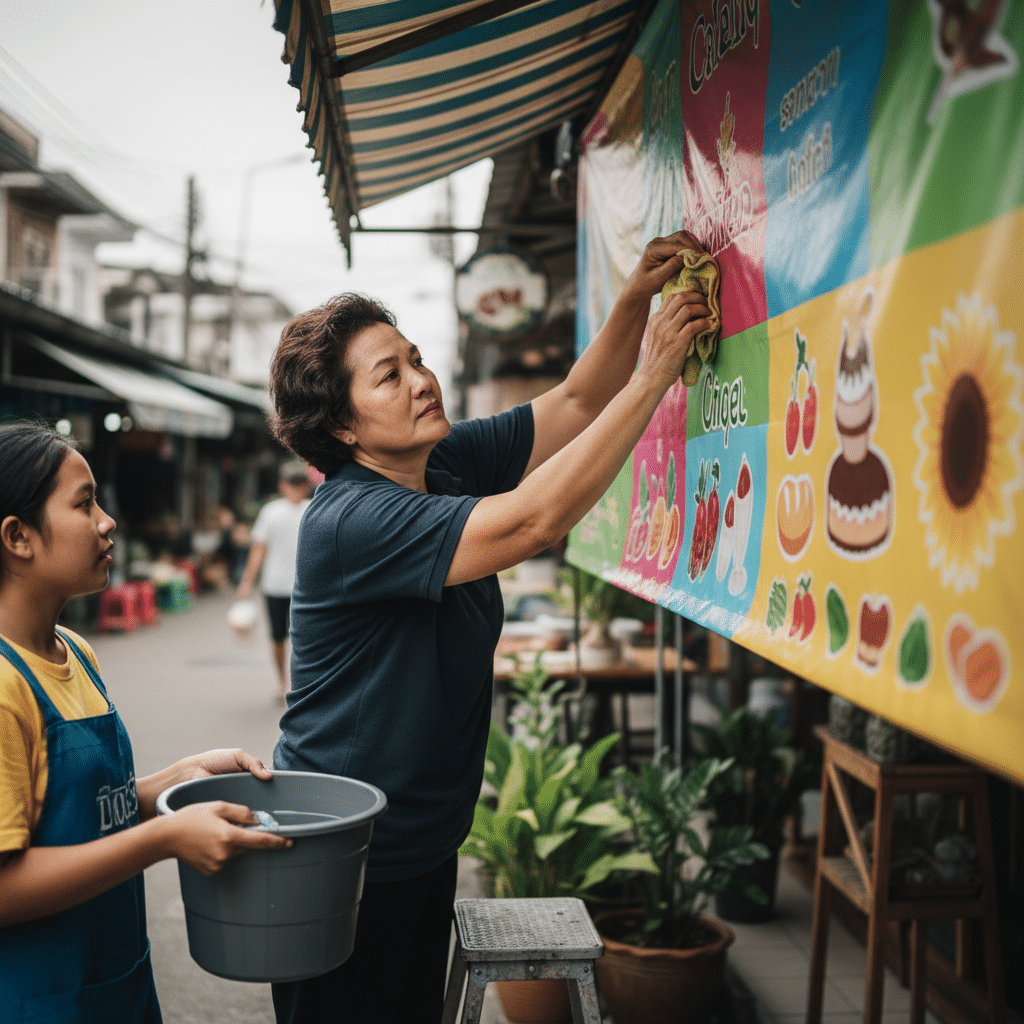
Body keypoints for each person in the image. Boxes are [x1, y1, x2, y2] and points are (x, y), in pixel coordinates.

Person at [267, 231, 712, 1024]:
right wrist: (655, 377)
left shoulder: (443, 468)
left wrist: (634, 302)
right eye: (389, 375)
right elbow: (536, 522)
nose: (421, 380)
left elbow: (575, 402)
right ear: (340, 427)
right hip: (343, 854)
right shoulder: (350, 519)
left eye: (415, 358)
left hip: (418, 840)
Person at [0, 421, 292, 1024]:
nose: (107, 521)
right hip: (36, 1002)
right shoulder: (3, 686)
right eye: (84, 504)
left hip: (115, 985)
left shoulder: (74, 651)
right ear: (18, 537)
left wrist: (175, 782)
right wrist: (163, 839)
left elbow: (75, 812)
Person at [234, 463, 312, 702]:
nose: (296, 490)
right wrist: (247, 581)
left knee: (306, 640)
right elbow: (259, 549)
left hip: (306, 588)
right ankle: (282, 683)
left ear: (306, 487)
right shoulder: (271, 512)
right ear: (282, 486)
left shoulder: (313, 509)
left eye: (300, 485)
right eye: (292, 485)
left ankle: (303, 685)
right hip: (275, 585)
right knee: (278, 638)